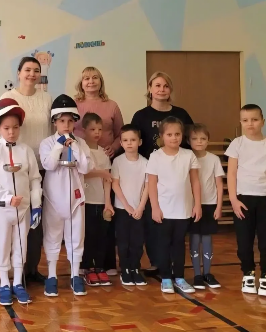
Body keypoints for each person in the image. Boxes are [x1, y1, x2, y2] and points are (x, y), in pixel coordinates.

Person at [131, 71, 194, 272]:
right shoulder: (141, 116)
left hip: (176, 175)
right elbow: (134, 142)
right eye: (157, 85)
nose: (161, 89)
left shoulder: (181, 114)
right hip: (151, 173)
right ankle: (156, 262)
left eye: (165, 86)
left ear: (170, 89)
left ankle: (174, 264)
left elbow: (191, 141)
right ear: (150, 89)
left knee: (174, 224)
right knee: (153, 219)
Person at [0, 57, 52, 284]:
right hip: (15, 168)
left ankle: (32, 269)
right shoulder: (8, 97)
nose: (32, 74)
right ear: (19, 73)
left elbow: (52, 130)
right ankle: (14, 271)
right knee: (15, 220)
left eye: (36, 70)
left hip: (42, 167)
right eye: (27, 70)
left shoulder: (47, 98)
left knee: (36, 220)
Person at [0, 98, 42, 306]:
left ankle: (18, 282)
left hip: (23, 210)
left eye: (15, 127)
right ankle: (4, 284)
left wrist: (36, 205)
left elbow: (35, 178)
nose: (11, 132)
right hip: (3, 209)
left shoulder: (26, 151)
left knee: (21, 245)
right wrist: (8, 198)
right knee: (2, 245)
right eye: (6, 128)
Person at [225, 104, 266, 297]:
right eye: (245, 120)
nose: (250, 124)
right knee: (244, 241)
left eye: (255, 119)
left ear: (263, 121)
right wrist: (233, 199)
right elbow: (231, 173)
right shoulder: (237, 144)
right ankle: (248, 274)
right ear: (240, 122)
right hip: (243, 200)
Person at [73, 66, 124, 276]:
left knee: (105, 219)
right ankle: (84, 263)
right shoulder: (74, 104)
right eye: (86, 78)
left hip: (105, 159)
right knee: (85, 224)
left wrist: (114, 146)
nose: (91, 81)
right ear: (81, 82)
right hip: (81, 163)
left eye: (95, 77)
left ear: (101, 81)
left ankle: (106, 263)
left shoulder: (111, 105)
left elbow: (121, 133)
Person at [39, 95, 91, 297]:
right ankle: (52, 275)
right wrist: (59, 146)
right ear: (55, 122)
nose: (66, 125)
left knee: (76, 236)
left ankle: (75, 275)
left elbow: (86, 167)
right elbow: (48, 165)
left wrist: (75, 147)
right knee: (52, 235)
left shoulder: (81, 142)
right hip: (53, 198)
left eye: (70, 121)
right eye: (62, 121)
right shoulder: (47, 143)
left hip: (76, 199)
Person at [147, 117, 202, 294]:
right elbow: (151, 184)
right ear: (162, 136)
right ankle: (165, 278)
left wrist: (197, 204)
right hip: (164, 210)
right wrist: (155, 208)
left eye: (177, 134)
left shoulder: (188, 155)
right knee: (163, 244)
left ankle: (179, 277)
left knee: (179, 244)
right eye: (169, 134)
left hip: (183, 210)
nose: (174, 137)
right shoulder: (155, 157)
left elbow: (195, 181)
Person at [111, 125, 149, 286]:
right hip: (122, 209)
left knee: (137, 242)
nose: (129, 143)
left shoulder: (146, 162)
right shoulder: (118, 161)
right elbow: (115, 184)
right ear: (120, 143)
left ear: (139, 142)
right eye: (125, 140)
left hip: (139, 210)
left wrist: (140, 207)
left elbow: (148, 186)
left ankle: (135, 268)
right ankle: (125, 269)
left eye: (133, 140)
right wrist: (126, 206)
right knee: (123, 241)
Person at [188, 123, 224, 290]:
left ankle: (207, 273)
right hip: (192, 205)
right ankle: (197, 274)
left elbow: (219, 184)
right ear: (189, 141)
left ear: (208, 141)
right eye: (195, 138)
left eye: (203, 138)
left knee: (207, 238)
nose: (199, 141)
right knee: (195, 238)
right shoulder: (187, 157)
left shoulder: (214, 159)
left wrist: (219, 206)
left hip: (210, 204)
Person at [80, 113, 114, 286]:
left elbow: (107, 180)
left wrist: (107, 202)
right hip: (85, 201)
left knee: (101, 236)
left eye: (100, 129)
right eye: (92, 129)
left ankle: (99, 267)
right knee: (88, 235)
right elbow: (82, 173)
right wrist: (101, 172)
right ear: (84, 130)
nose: (97, 133)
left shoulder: (103, 153)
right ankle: (86, 267)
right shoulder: (81, 150)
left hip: (100, 201)